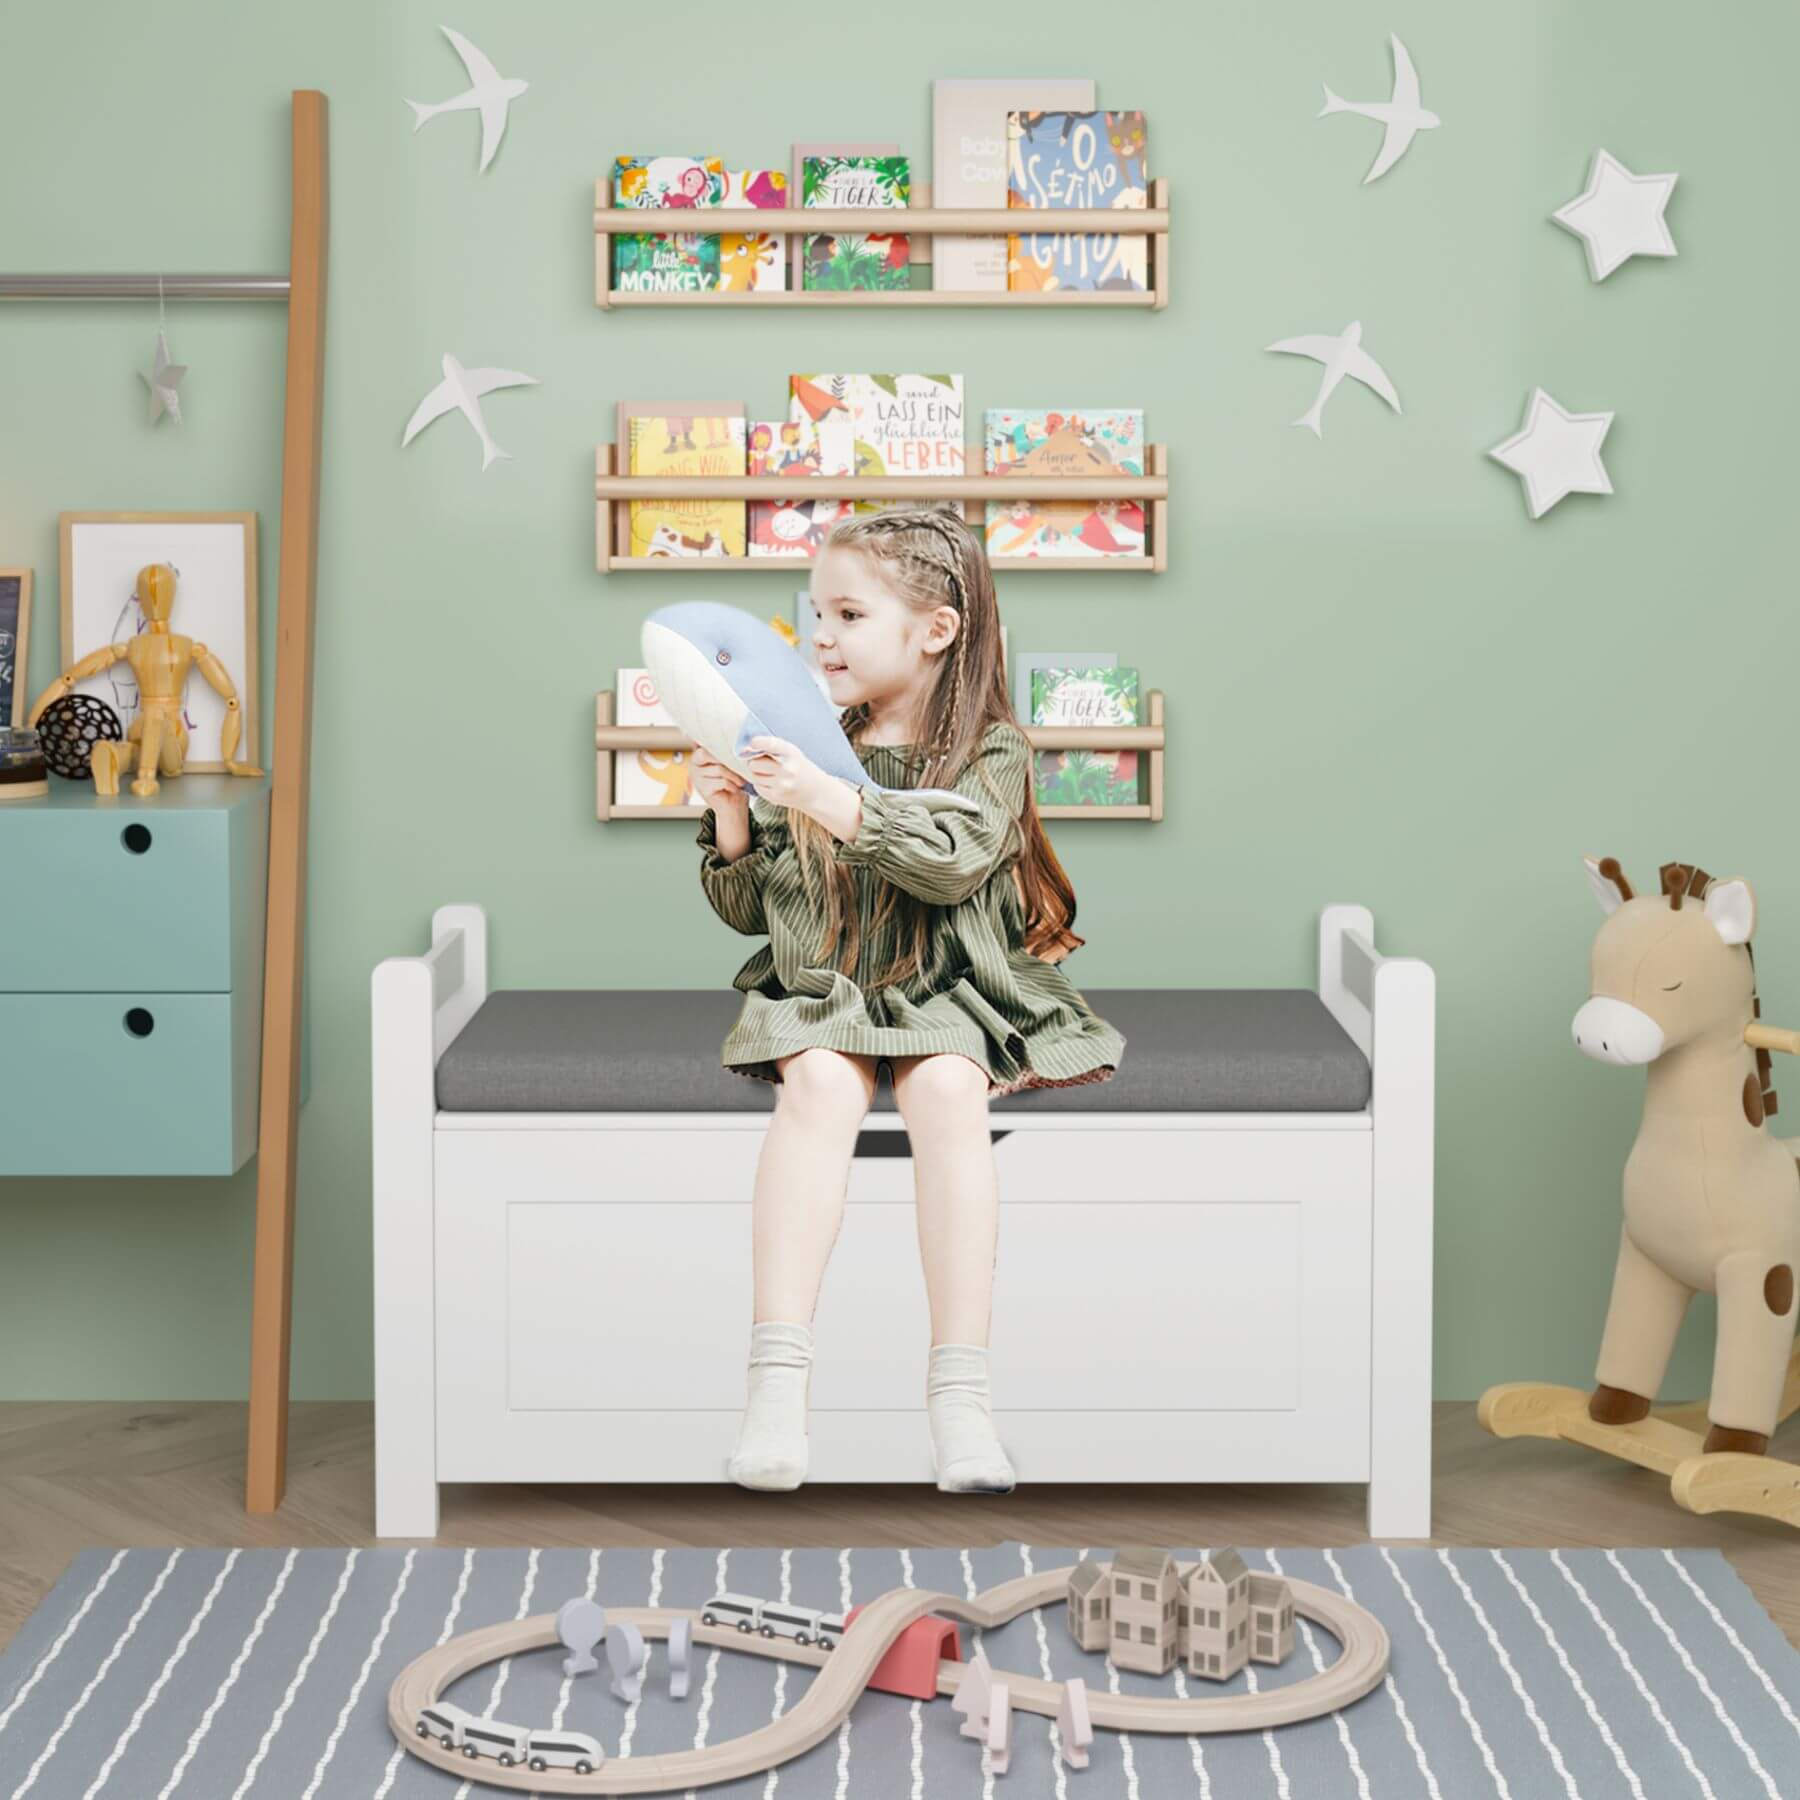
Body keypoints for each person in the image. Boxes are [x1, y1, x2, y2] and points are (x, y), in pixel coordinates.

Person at [689, 506, 1125, 1494]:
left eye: (848, 614)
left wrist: (818, 795)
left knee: (947, 1095)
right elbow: (756, 910)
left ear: (936, 629)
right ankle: (777, 1383)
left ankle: (961, 1399)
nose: (821, 639)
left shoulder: (992, 753)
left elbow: (950, 861)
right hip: (832, 984)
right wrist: (731, 821)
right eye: (816, 616)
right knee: (818, 1090)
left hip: (947, 985)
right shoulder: (801, 737)